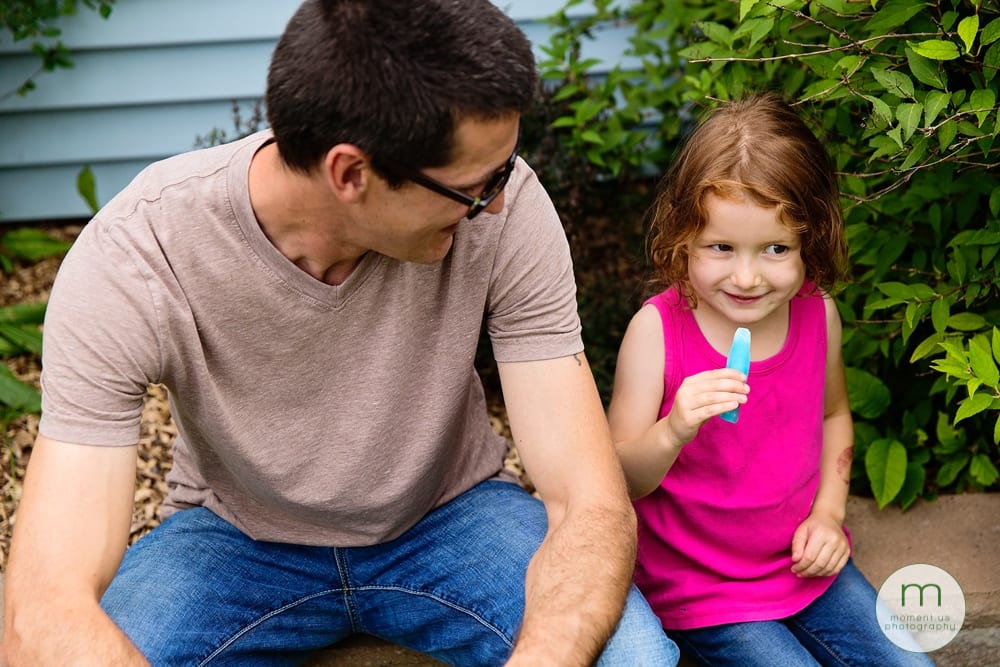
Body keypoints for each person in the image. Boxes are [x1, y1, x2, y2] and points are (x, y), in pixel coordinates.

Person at [1, 1, 679, 665]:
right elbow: (44, 609)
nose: (498, 200)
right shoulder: (140, 256)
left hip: (451, 518)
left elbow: (591, 503)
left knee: (637, 655)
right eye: (476, 185)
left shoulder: (508, 211)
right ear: (351, 173)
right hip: (232, 542)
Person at [607, 93, 935, 666]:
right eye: (721, 248)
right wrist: (674, 429)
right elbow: (619, 480)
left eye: (776, 248)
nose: (747, 276)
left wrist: (829, 515)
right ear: (684, 238)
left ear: (812, 238)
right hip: (703, 590)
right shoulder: (656, 333)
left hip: (801, 565)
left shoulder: (817, 313)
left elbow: (834, 416)